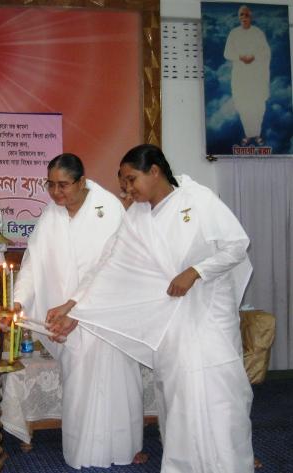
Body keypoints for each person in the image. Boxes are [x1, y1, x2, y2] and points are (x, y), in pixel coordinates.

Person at [48, 144, 255, 472]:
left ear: (155, 171)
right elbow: (109, 266)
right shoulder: (137, 216)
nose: (126, 189)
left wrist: (196, 271)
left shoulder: (198, 200)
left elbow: (236, 246)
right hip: (168, 323)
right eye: (123, 182)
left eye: (131, 179)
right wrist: (74, 307)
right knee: (179, 397)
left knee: (217, 397)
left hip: (207, 315)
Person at [13, 153, 146, 469]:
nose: (56, 192)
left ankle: (124, 448)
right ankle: (83, 453)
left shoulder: (108, 208)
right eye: (50, 185)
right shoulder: (51, 214)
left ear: (82, 182)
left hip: (104, 314)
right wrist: (18, 301)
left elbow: (110, 266)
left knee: (118, 385)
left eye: (63, 185)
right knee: (79, 386)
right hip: (64, 318)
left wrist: (78, 308)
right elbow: (33, 263)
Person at [224, 5, 271, 146]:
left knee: (258, 106)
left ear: (251, 17)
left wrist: (254, 57)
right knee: (243, 105)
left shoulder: (258, 33)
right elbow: (227, 53)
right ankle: (248, 134)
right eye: (241, 15)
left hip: (256, 77)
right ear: (239, 17)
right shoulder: (234, 33)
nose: (244, 17)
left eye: (246, 15)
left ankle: (257, 134)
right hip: (241, 77)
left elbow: (266, 52)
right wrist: (240, 57)